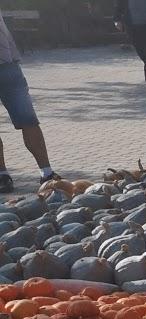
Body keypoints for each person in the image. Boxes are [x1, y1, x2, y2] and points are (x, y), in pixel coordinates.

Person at [0, 11, 59, 192]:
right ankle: (4, 174)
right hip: (8, 65)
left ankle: (46, 172)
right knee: (28, 120)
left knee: (29, 120)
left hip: (8, 66)